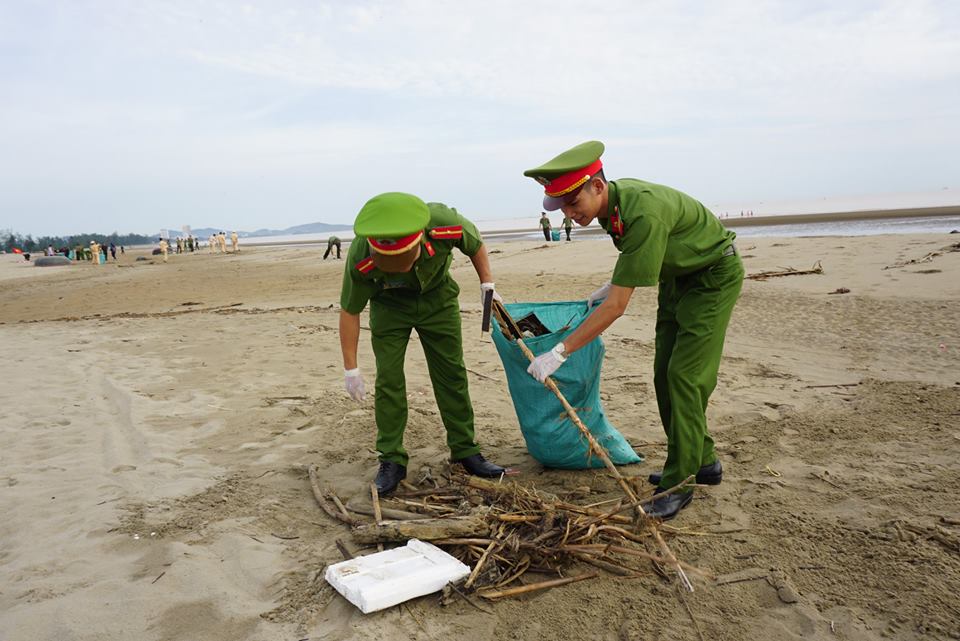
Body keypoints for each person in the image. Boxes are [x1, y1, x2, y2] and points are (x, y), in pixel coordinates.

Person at [522, 141, 743, 520]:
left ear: (597, 186)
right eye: (563, 208)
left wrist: (560, 352)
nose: (571, 214)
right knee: (663, 375)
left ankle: (679, 482)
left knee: (685, 378)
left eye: (574, 203)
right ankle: (702, 460)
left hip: (712, 278)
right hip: (677, 280)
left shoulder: (643, 210)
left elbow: (617, 307)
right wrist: (613, 284)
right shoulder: (614, 208)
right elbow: (643, 257)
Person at [339, 192, 506, 494]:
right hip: (389, 308)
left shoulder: (443, 223)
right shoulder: (360, 253)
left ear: (419, 243)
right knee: (389, 380)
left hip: (437, 301)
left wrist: (487, 283)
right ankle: (392, 459)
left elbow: (475, 243)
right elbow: (350, 310)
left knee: (451, 374)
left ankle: (465, 449)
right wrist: (350, 368)